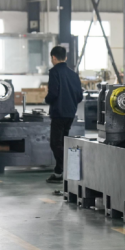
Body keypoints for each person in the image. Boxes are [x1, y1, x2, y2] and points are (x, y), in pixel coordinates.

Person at [44, 46, 83, 184]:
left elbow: (53, 93)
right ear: (65, 57)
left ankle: (69, 169)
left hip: (58, 113)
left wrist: (47, 99)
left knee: (55, 144)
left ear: (53, 57)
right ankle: (59, 173)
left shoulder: (54, 72)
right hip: (70, 113)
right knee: (64, 142)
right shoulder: (74, 74)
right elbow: (79, 96)